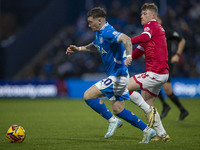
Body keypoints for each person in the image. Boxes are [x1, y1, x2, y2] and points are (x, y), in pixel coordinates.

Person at [66, 7, 156, 143]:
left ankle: (112, 121)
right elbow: (96, 46)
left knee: (88, 95)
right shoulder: (99, 33)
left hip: (117, 77)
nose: (89, 25)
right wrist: (79, 49)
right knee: (118, 109)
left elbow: (126, 39)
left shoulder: (108, 32)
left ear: (99, 20)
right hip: (117, 76)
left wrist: (129, 55)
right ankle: (148, 131)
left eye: (91, 22)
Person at [125, 3, 170, 141]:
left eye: (145, 13)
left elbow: (143, 38)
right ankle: (162, 135)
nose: (141, 16)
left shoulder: (151, 26)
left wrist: (126, 41)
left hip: (155, 73)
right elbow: (140, 51)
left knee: (124, 87)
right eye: (141, 13)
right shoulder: (152, 31)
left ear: (153, 16)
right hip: (161, 74)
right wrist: (128, 57)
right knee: (147, 102)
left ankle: (150, 112)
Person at [156, 15, 189, 120]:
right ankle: (179, 109)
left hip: (166, 63)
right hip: (156, 64)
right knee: (155, 85)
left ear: (160, 20)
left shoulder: (166, 31)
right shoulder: (151, 33)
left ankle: (178, 109)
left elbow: (182, 40)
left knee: (166, 89)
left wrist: (177, 55)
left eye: (156, 19)